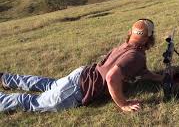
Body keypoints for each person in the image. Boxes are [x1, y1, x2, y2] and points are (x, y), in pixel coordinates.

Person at [0, 19, 164, 112]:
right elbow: (112, 76)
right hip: (79, 89)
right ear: (149, 37)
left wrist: (158, 77)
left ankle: (6, 79)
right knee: (34, 103)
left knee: (50, 84)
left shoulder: (126, 45)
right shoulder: (136, 55)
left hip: (81, 74)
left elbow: (138, 71)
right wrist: (123, 104)